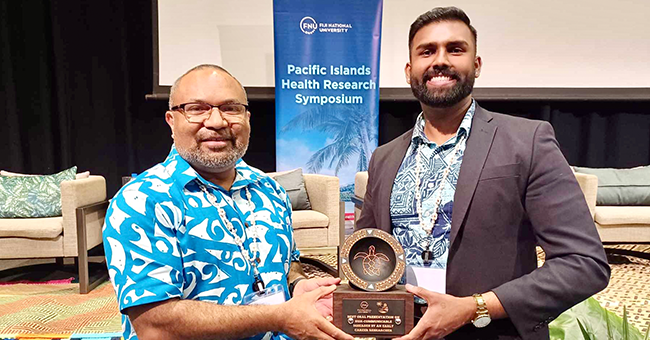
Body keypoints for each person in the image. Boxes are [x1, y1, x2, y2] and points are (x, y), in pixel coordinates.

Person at [356, 7, 610, 340]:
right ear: (409, 70)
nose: (440, 60)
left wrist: (474, 307)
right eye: (427, 51)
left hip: (491, 332)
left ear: (476, 65)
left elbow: (584, 263)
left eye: (455, 49)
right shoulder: (384, 157)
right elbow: (364, 255)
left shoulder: (528, 141)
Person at [103, 64, 354, 340]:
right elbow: (155, 326)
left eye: (230, 108)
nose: (217, 121)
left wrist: (296, 285)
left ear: (247, 118)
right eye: (197, 108)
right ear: (171, 121)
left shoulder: (270, 190)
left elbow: (289, 263)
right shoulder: (142, 201)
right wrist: (278, 317)